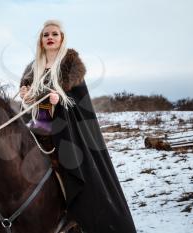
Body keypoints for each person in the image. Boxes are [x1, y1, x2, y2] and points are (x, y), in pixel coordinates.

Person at [19, 19, 137, 233]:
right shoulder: (33, 68)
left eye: (54, 34)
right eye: (46, 35)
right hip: (38, 125)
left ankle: (77, 216)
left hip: (67, 130)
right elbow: (28, 97)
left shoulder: (71, 66)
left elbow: (78, 102)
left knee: (72, 169)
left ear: (61, 38)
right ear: (41, 40)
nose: (50, 38)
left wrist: (60, 99)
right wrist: (25, 94)